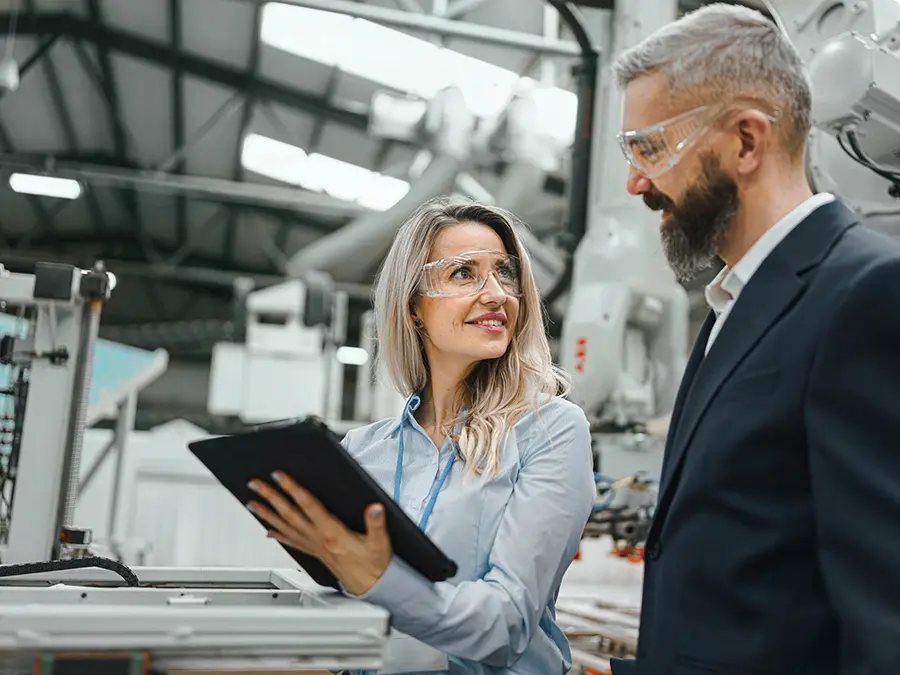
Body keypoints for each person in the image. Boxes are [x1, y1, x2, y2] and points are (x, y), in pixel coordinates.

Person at [608, 3, 900, 675]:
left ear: (746, 141)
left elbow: (886, 619)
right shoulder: (731, 308)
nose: (636, 182)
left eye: (649, 148)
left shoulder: (864, 297)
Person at [245, 196, 596, 675]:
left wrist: (376, 578)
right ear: (413, 306)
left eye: (504, 273)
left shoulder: (551, 431)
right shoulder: (363, 452)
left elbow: (504, 625)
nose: (496, 293)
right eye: (463, 274)